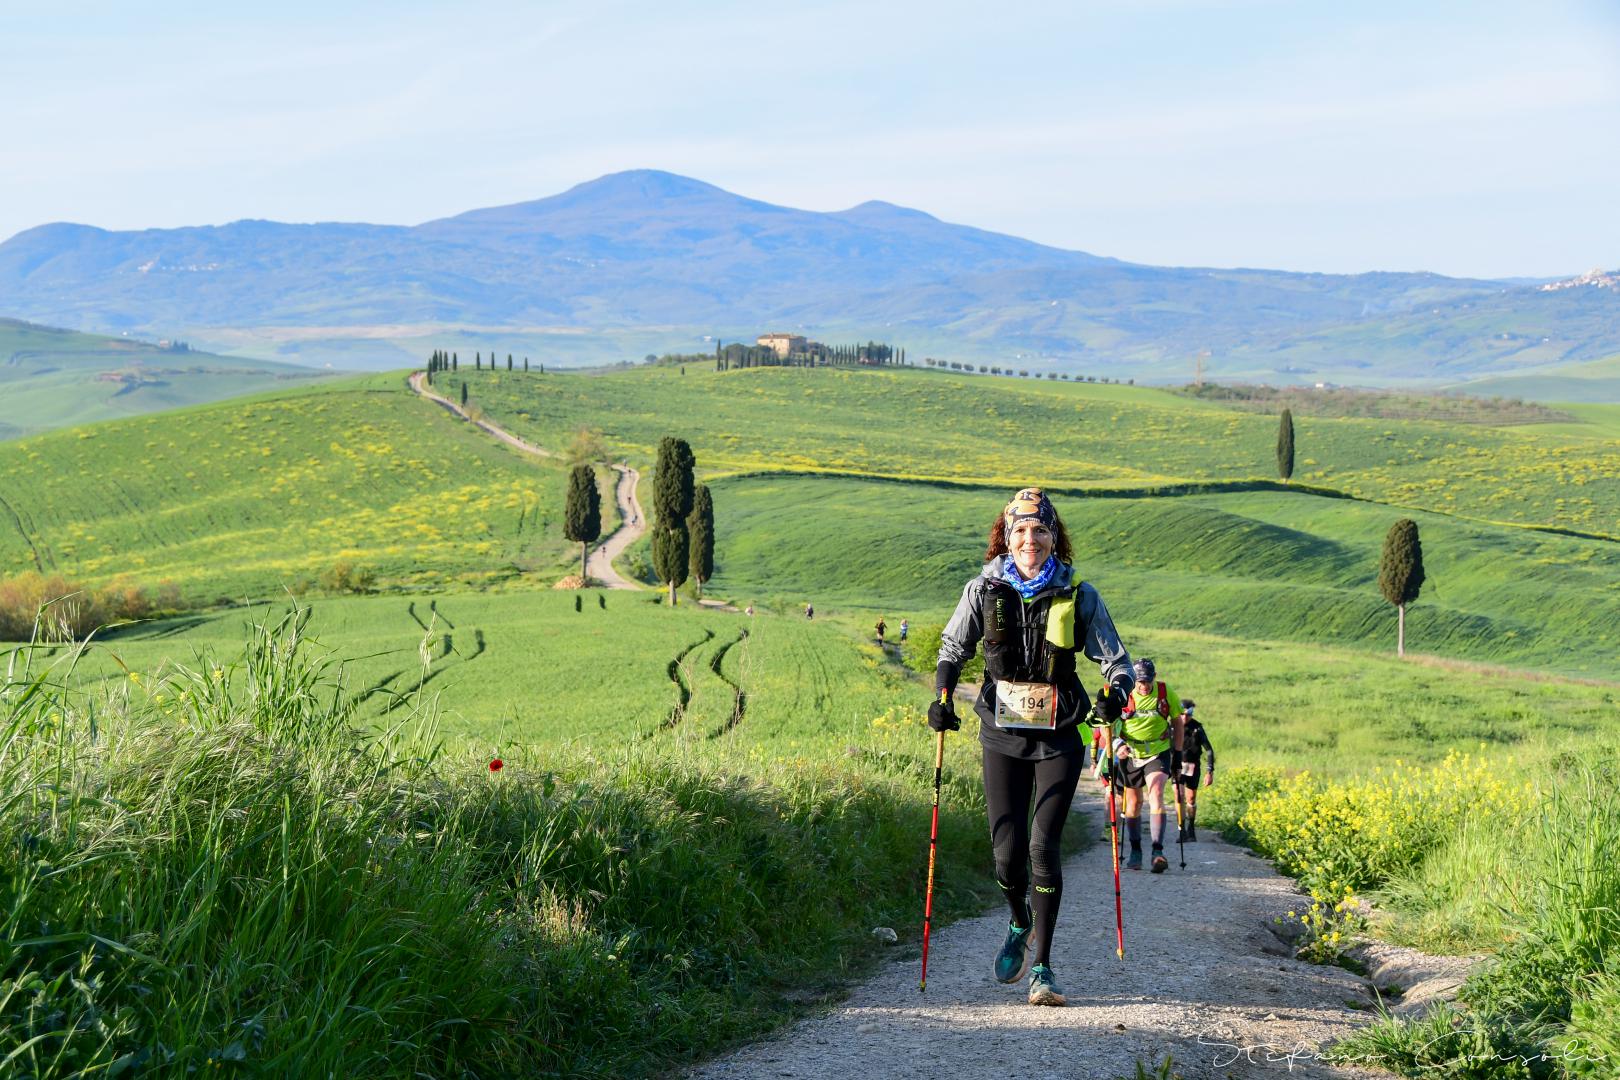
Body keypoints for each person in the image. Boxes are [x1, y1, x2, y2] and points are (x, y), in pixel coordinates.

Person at [928, 488, 1133, 1007]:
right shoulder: (983, 589)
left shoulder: (1078, 594)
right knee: (1006, 854)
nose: (1030, 540)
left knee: (1043, 847)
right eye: (1020, 530)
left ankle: (1042, 967)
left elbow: (1117, 662)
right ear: (1006, 535)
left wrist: (1113, 697)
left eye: (1039, 530)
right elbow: (953, 647)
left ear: (1053, 537)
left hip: (1060, 735)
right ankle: (1018, 921)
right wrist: (943, 696)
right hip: (1001, 736)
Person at [1099, 658, 1184, 874]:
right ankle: (1136, 851)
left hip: (1158, 751)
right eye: (1140, 682)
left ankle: (1157, 852)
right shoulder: (1125, 695)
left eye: (1147, 682)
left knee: (1156, 792)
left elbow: (1177, 722)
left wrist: (1178, 754)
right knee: (1134, 803)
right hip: (1130, 753)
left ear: (1153, 678)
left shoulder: (1165, 692)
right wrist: (1117, 745)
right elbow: (1106, 726)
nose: (1144, 687)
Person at [1174, 698, 1215, 841]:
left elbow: (1209, 750)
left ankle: (1190, 828)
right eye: (1182, 714)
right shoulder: (1172, 726)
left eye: (1189, 714)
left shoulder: (1197, 728)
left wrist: (1209, 771)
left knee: (1190, 798)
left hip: (1193, 766)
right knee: (1179, 796)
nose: (1185, 717)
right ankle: (1181, 829)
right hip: (1177, 766)